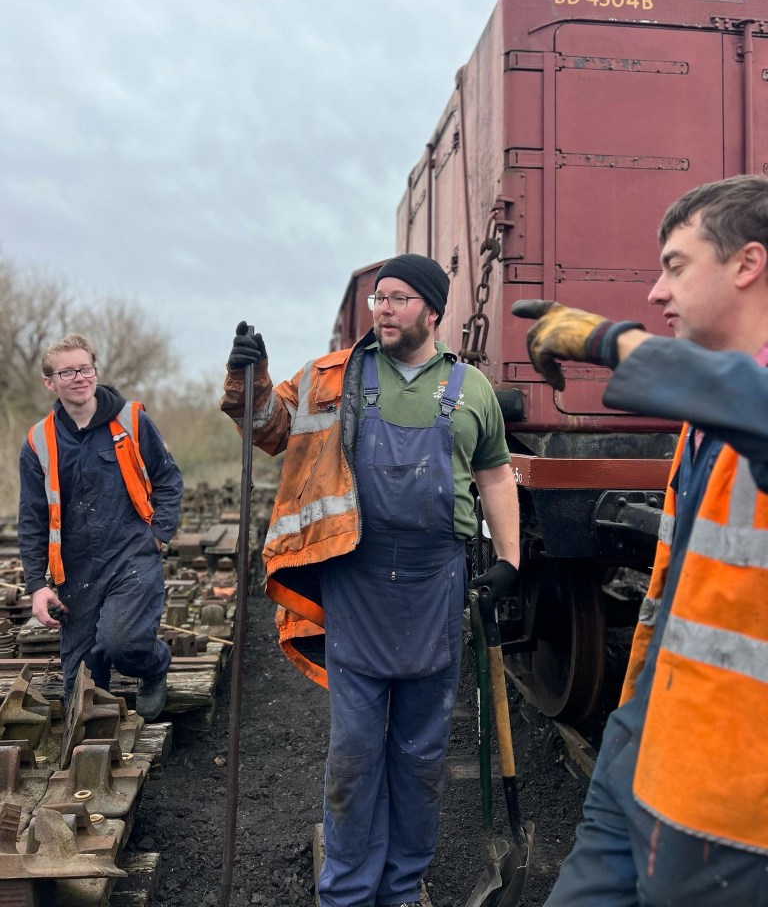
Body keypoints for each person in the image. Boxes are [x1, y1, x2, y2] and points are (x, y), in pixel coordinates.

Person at [221, 253, 520, 907]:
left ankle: (402, 884)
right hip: (357, 583)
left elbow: (496, 474)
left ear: (432, 311)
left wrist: (509, 560)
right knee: (355, 752)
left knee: (420, 754)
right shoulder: (333, 378)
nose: (382, 308)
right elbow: (268, 428)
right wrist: (250, 379)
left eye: (398, 298)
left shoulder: (472, 390)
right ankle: (349, 891)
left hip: (434, 586)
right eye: (378, 298)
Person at [511, 174, 768, 907]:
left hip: (735, 799)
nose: (656, 293)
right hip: (649, 738)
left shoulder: (739, 406)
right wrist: (628, 728)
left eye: (676, 267)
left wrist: (614, 343)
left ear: (747, 264)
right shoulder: (702, 424)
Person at [18, 334, 183, 721]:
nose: (79, 377)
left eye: (85, 368)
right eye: (67, 372)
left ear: (95, 371)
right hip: (76, 570)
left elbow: (169, 480)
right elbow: (32, 517)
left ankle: (153, 667)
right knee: (81, 685)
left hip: (131, 556)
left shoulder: (131, 421)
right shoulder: (39, 442)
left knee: (121, 643)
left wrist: (159, 535)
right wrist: (37, 585)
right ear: (50, 382)